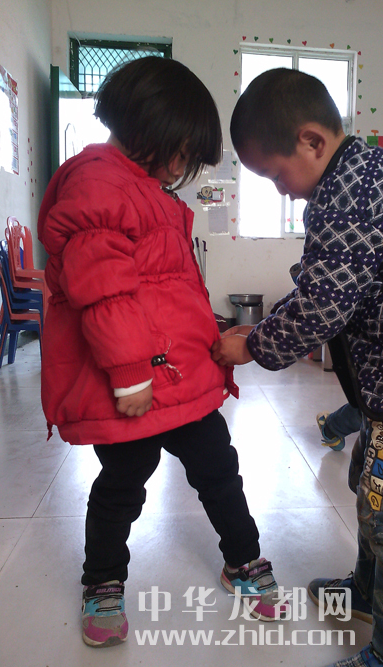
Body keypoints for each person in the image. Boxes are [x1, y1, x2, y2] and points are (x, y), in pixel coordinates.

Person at [211, 68, 383, 667]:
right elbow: (323, 287)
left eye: (276, 175)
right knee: (371, 479)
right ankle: (366, 592)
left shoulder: (349, 194)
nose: (282, 191)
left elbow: (323, 306)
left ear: (312, 141)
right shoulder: (358, 177)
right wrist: (262, 328)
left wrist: (254, 346)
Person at [37, 57, 286, 649]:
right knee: (123, 483)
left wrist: (208, 342)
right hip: (132, 382)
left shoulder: (142, 189)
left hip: (182, 374)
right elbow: (104, 289)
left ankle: (243, 560)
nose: (181, 168)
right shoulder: (98, 185)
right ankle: (102, 581)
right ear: (144, 128)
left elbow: (170, 290)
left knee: (219, 469)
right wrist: (129, 373)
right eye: (179, 153)